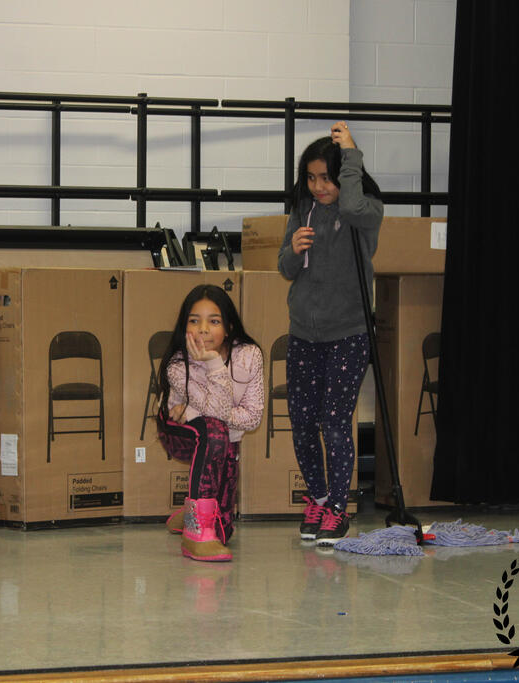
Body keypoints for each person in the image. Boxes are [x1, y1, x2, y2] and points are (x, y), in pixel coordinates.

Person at [278, 122, 384, 547]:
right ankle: (319, 500)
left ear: (344, 174)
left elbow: (352, 205)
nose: (318, 187)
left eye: (327, 178)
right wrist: (293, 249)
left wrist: (352, 153)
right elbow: (285, 268)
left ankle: (339, 509)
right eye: (311, 178)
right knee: (303, 422)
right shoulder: (303, 210)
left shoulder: (365, 211)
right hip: (304, 333)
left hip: (348, 333)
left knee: (335, 422)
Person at [156, 285, 263, 562]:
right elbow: (217, 413)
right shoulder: (178, 364)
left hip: (226, 436)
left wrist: (194, 408)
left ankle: (191, 511)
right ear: (184, 326)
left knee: (223, 532)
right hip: (179, 434)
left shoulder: (249, 355)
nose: (203, 329)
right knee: (213, 430)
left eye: (214, 321)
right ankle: (195, 533)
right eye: (194, 321)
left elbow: (253, 417)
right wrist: (214, 364)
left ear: (228, 328)